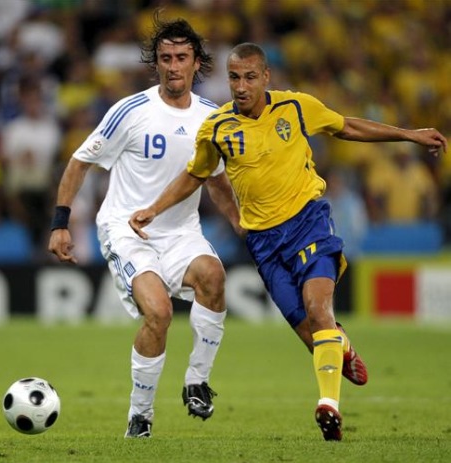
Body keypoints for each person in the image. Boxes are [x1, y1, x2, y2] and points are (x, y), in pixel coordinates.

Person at [129, 42, 448, 441]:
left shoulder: (295, 107)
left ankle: (329, 407)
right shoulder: (217, 128)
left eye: (250, 77)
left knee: (318, 309)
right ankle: (341, 347)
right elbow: (197, 175)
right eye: (234, 78)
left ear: (266, 77)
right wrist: (154, 209)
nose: (241, 87)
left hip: (308, 224)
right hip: (265, 245)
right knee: (312, 335)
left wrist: (409, 135)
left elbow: (346, 126)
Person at [48, 15, 241, 438]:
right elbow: (79, 162)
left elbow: (218, 183)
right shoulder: (131, 110)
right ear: (156, 64)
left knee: (213, 277)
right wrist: (60, 223)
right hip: (127, 230)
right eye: (165, 58)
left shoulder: (213, 118)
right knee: (159, 312)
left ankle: (197, 381)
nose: (173, 66)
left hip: (181, 232)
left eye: (181, 57)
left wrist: (242, 227)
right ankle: (141, 415)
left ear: (196, 62)